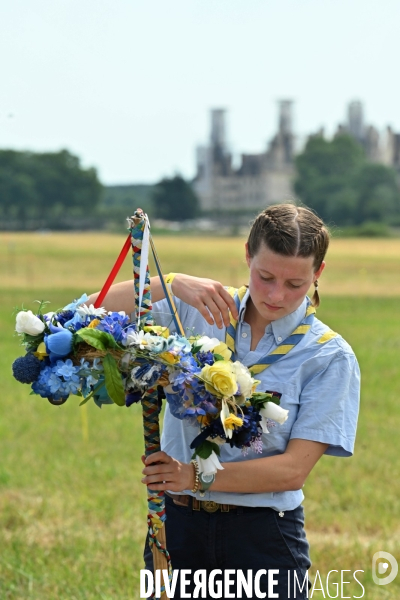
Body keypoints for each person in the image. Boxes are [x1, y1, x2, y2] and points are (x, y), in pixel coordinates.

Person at [88, 204, 360, 599]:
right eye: (265, 276)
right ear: (247, 254)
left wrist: (193, 476)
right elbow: (87, 315)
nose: (276, 295)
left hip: (264, 537)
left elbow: (292, 471)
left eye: (295, 283)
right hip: (175, 526)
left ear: (318, 273)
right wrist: (171, 283)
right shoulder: (193, 309)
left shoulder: (329, 356)